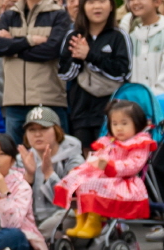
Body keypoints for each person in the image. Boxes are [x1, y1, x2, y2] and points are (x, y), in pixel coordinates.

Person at [53, 98, 157, 240]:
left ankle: (94, 222)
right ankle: (81, 221)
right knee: (74, 180)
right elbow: (94, 161)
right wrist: (80, 169)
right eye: (115, 124)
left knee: (93, 185)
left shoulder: (139, 143)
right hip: (104, 177)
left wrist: (110, 166)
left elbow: (133, 165)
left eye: (124, 123)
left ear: (137, 124)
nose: (119, 128)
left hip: (123, 182)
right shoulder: (109, 142)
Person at [0, 0, 69, 141]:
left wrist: (14, 48)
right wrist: (30, 40)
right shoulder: (10, 15)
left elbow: (51, 50)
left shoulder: (59, 15)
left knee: (54, 155)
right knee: (16, 159)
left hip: (48, 99)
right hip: (14, 101)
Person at [59, 0, 129, 150]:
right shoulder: (73, 35)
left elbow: (122, 72)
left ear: (111, 5)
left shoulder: (119, 36)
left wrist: (89, 56)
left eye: (102, 1)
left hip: (111, 110)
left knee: (108, 158)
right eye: (90, 2)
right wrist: (78, 57)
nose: (97, 6)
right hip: (80, 109)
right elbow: (64, 74)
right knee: (84, 159)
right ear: (83, 7)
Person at [14, 106, 82, 220]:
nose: (37, 134)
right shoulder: (21, 160)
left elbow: (72, 202)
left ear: (57, 130)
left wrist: (49, 174)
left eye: (43, 128)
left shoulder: (74, 159)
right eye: (32, 130)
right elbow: (14, 202)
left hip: (63, 219)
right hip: (28, 220)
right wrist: (29, 177)